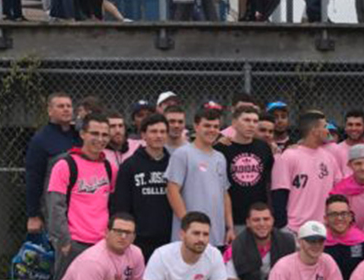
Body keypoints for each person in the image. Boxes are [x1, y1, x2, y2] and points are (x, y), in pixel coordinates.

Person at [46, 112, 117, 280]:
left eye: (104, 135)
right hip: (73, 243)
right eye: (94, 133)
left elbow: (112, 205)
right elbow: (55, 207)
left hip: (102, 243)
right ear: (82, 134)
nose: (100, 139)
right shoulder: (65, 165)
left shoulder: (110, 168)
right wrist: (64, 241)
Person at [272, 111, 348, 232]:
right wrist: (282, 228)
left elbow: (338, 191)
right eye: (324, 127)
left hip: (323, 229)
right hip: (295, 229)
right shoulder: (289, 156)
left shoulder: (329, 157)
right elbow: (279, 194)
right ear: (314, 131)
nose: (328, 131)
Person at [167, 109, 232, 247]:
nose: (212, 130)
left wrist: (230, 227)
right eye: (207, 126)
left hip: (216, 236)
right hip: (189, 237)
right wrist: (187, 223)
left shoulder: (220, 157)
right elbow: (172, 190)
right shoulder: (182, 154)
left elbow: (224, 194)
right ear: (196, 127)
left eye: (215, 126)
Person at [113, 114, 174, 258]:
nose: (159, 136)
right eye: (153, 131)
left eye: (162, 131)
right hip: (139, 239)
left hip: (169, 237)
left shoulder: (175, 163)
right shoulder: (129, 165)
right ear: (143, 135)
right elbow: (121, 205)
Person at [27, 92, 80, 243]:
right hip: (54, 206)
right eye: (61, 106)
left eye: (69, 106)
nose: (66, 109)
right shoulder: (41, 140)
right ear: (50, 111)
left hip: (80, 204)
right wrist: (33, 215)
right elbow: (34, 178)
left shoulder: (80, 136)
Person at [217, 106, 275, 233]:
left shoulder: (264, 147)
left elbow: (269, 180)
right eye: (247, 120)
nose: (251, 125)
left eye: (255, 121)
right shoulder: (222, 149)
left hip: (258, 217)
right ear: (234, 123)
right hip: (232, 217)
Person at [320, 194, 364, 280]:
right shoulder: (319, 245)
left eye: (343, 213)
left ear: (350, 217)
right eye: (334, 214)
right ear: (326, 218)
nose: (339, 218)